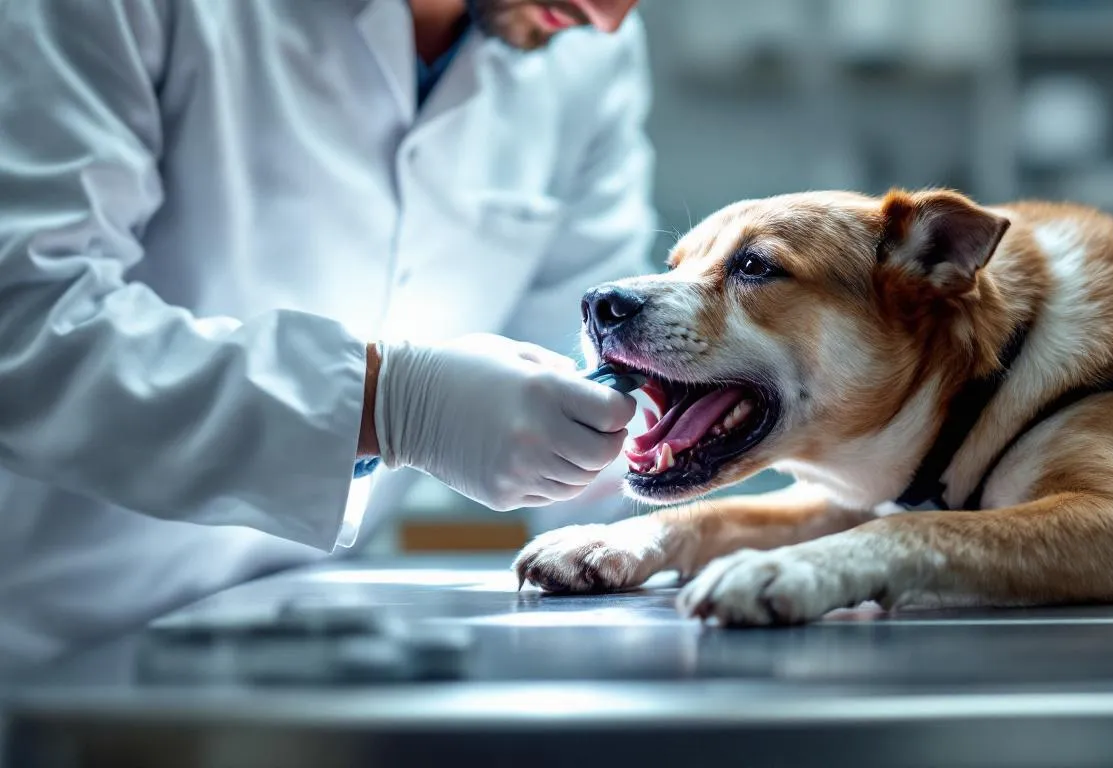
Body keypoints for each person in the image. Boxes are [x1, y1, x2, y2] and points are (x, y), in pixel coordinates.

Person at [0, 0, 654, 671]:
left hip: (303, 627)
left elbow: (600, 376)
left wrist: (659, 533)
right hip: (46, 634)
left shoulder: (585, 51)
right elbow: (27, 325)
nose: (608, 16)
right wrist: (386, 406)